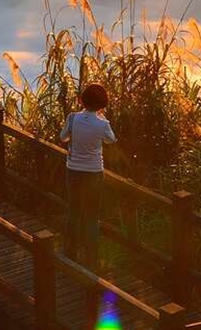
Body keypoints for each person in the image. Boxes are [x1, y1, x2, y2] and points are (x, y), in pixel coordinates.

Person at [59, 84, 116, 268]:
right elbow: (111, 140)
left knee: (74, 212)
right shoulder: (102, 124)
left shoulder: (73, 118)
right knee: (92, 216)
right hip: (94, 173)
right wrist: (102, 118)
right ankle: (92, 259)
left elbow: (63, 137)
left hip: (73, 170)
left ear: (82, 100)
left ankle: (69, 253)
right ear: (102, 104)